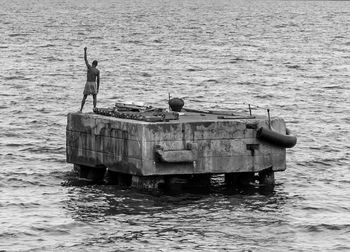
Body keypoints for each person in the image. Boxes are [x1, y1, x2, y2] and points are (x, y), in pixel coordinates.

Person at [80, 47, 100, 112]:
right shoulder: (97, 71)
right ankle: (94, 109)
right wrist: (97, 88)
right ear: (96, 65)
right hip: (94, 84)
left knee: (84, 97)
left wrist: (85, 51)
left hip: (88, 83)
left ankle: (81, 110)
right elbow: (98, 80)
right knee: (94, 97)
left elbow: (85, 59)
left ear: (92, 64)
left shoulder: (89, 68)